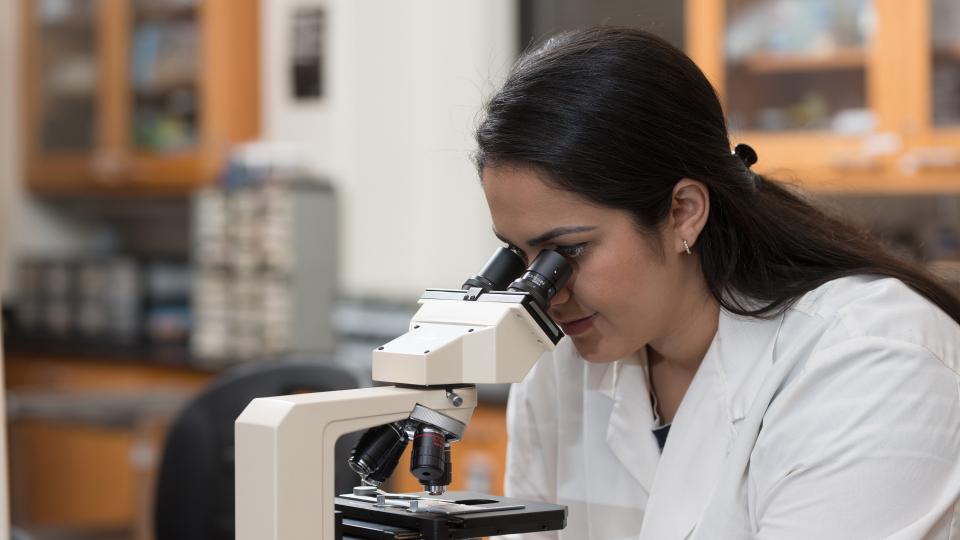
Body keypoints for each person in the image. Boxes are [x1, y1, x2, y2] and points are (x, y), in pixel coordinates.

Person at [473, 27, 960, 539]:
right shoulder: (560, 365)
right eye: (518, 256)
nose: (549, 294)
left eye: (567, 252)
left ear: (683, 212)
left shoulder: (872, 363)